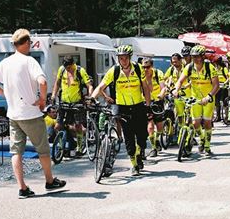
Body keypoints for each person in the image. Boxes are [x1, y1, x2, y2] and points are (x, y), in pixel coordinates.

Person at [0, 28, 66, 199]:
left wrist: (5, 94)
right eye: (30, 42)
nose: (30, 45)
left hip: (13, 115)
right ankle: (49, 181)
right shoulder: (29, 61)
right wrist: (43, 100)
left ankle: (22, 187)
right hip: (31, 113)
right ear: (26, 43)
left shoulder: (5, 63)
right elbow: (43, 82)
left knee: (16, 152)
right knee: (43, 150)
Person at [90, 45, 151, 176]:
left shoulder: (138, 68)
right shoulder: (114, 71)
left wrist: (148, 104)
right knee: (128, 136)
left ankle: (140, 153)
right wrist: (92, 98)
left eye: (125, 58)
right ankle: (134, 164)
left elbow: (145, 87)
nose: (123, 60)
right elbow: (101, 86)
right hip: (123, 107)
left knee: (142, 136)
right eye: (120, 58)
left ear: (129, 58)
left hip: (138, 105)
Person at [173, 45, 219, 155]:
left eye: (197, 57)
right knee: (195, 123)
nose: (195, 59)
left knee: (207, 122)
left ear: (203, 56)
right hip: (195, 98)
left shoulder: (209, 67)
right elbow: (180, 81)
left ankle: (207, 146)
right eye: (193, 57)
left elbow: (216, 85)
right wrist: (176, 90)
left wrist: (208, 97)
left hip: (208, 98)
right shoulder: (189, 67)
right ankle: (202, 138)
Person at [50, 55, 93, 157]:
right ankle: (61, 147)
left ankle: (79, 147)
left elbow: (89, 85)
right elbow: (57, 83)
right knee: (57, 126)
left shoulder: (80, 71)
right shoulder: (62, 69)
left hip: (77, 102)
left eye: (69, 68)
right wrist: (53, 95)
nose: (67, 70)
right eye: (66, 68)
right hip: (64, 102)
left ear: (73, 64)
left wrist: (90, 97)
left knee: (78, 126)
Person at [142, 57, 166, 157]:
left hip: (157, 101)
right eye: (143, 67)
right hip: (146, 101)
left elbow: (163, 87)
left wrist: (161, 95)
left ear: (151, 66)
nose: (145, 69)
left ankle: (157, 140)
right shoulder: (141, 75)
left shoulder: (158, 73)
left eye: (147, 67)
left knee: (159, 126)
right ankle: (153, 147)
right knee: (150, 125)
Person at [163, 53, 190, 129]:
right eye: (173, 62)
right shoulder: (171, 69)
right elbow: (164, 79)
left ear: (180, 60)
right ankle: (181, 129)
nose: (174, 63)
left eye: (176, 62)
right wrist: (167, 85)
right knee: (180, 114)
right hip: (176, 94)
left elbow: (192, 80)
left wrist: (186, 86)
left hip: (188, 94)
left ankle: (190, 130)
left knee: (189, 114)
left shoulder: (187, 68)